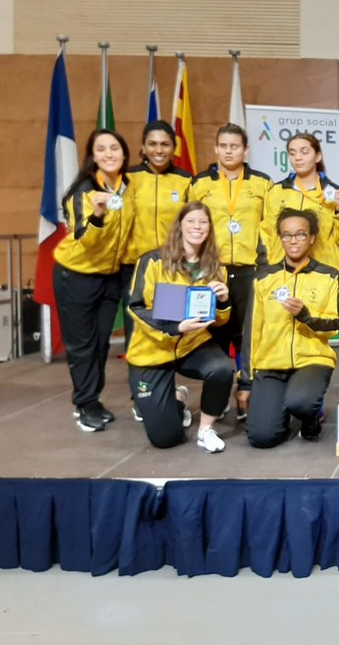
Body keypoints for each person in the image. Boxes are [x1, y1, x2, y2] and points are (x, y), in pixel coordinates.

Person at [126, 202, 234, 452]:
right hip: (152, 351)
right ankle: (178, 398)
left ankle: (206, 430)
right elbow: (137, 307)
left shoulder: (217, 267)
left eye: (203, 222)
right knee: (166, 439)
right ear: (180, 226)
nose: (197, 226)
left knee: (221, 370)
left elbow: (219, 321)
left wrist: (224, 301)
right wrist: (176, 327)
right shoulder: (152, 261)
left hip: (191, 345)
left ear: (209, 228)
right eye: (191, 221)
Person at [54, 129, 136, 432]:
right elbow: (84, 241)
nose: (109, 154)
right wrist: (99, 216)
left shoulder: (128, 186)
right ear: (93, 155)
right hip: (76, 275)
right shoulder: (85, 191)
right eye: (101, 149)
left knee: (101, 343)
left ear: (125, 154)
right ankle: (84, 404)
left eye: (114, 148)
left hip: (110, 277)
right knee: (81, 345)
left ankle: (93, 399)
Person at [189, 123, 272, 420]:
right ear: (215, 148)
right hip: (214, 271)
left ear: (245, 150)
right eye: (223, 146)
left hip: (251, 270)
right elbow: (192, 226)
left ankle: (246, 392)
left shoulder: (263, 184)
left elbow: (271, 228)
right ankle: (218, 394)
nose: (228, 151)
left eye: (234, 146)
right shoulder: (200, 184)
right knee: (217, 334)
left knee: (249, 336)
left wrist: (266, 268)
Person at [243, 208, 339, 447]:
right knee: (261, 438)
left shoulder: (329, 276)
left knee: (302, 402)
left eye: (300, 234)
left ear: (311, 238)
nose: (293, 240)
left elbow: (333, 324)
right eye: (287, 235)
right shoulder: (264, 278)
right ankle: (279, 406)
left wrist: (305, 315)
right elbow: (252, 331)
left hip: (312, 359)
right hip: (271, 362)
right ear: (280, 238)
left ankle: (310, 415)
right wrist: (246, 381)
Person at [120, 121, 192, 349]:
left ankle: (165, 384)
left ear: (174, 147)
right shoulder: (128, 179)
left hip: (169, 267)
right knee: (136, 331)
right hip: (134, 268)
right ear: (142, 146)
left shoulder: (185, 180)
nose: (159, 150)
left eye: (165, 144)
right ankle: (140, 384)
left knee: (167, 331)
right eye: (152, 144)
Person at [263, 132, 339, 268]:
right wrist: (267, 268)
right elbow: (267, 233)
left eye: (304, 152)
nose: (297, 158)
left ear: (318, 156)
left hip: (323, 273)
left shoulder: (333, 194)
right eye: (292, 153)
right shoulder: (276, 191)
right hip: (283, 273)